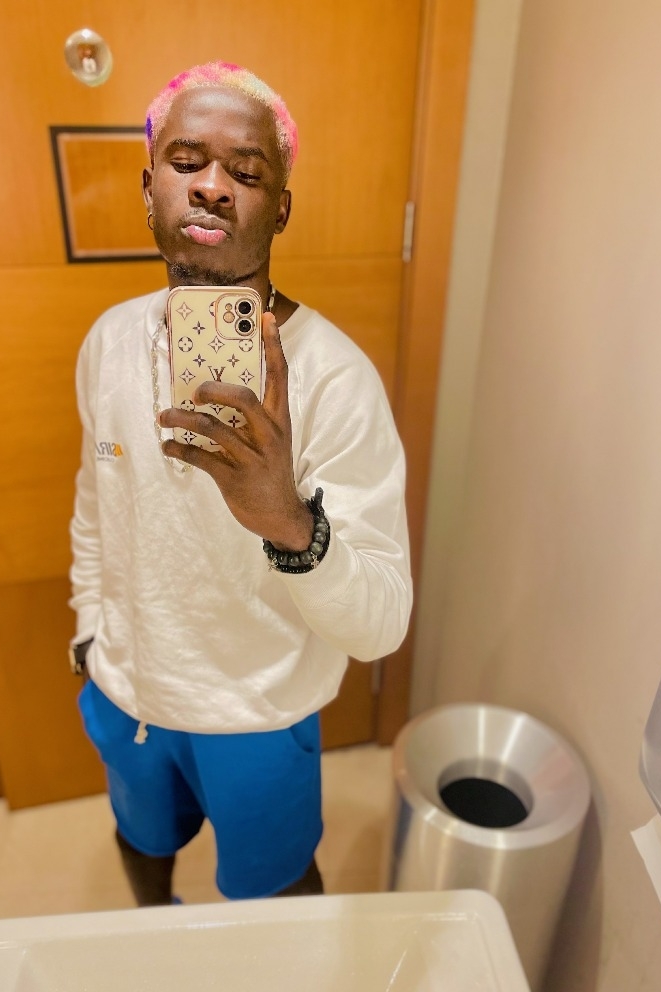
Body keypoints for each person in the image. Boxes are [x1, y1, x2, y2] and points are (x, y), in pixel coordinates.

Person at [68, 61, 412, 906]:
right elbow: (94, 503)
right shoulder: (108, 341)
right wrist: (90, 633)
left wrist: (290, 522)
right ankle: (157, 926)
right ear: (149, 189)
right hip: (127, 693)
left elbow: (381, 624)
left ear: (280, 208)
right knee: (142, 847)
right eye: (186, 162)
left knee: (279, 894)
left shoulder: (335, 379)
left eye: (247, 173)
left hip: (259, 713)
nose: (213, 186)